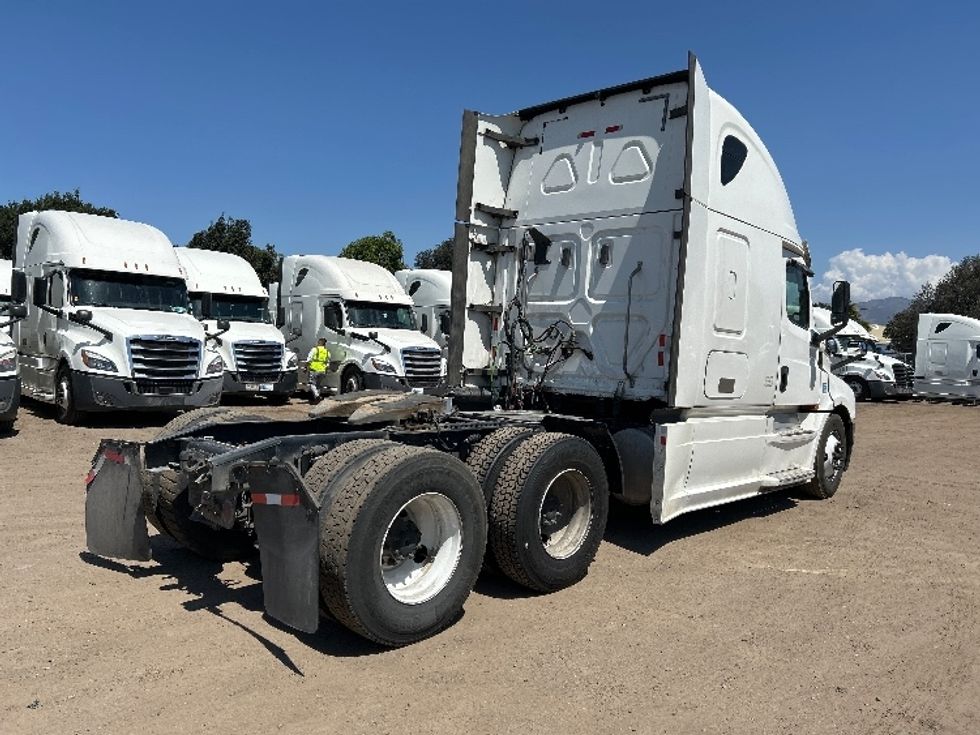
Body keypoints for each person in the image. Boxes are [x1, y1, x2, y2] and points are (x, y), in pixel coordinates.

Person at [306, 337, 331, 403]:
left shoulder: (314, 350)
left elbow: (309, 359)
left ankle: (317, 396)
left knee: (312, 384)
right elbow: (328, 363)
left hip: (314, 369)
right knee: (318, 385)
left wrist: (306, 367)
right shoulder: (327, 352)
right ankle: (317, 400)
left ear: (319, 343)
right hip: (322, 371)